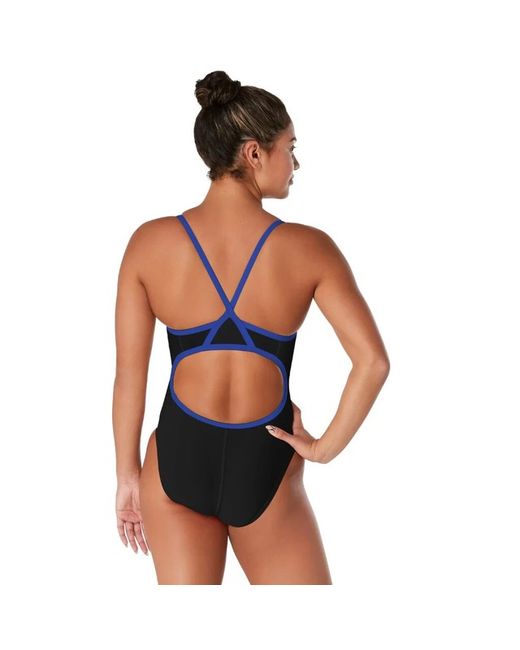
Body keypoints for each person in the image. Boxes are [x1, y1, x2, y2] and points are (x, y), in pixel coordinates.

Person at [112, 70, 390, 585]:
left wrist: (127, 475)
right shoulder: (310, 248)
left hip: (176, 462)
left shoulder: (148, 244)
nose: (296, 163)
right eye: (291, 147)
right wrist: (323, 448)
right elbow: (372, 362)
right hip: (265, 461)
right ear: (254, 153)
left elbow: (130, 375)